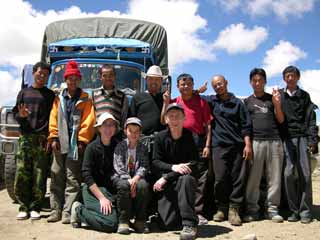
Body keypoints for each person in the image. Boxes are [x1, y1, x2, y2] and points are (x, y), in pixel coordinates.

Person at [47, 60, 95, 224]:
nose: (72, 81)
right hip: (59, 142)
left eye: (75, 78)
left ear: (79, 80)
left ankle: (67, 211)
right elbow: (53, 118)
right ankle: (55, 210)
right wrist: (53, 137)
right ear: (65, 80)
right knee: (56, 175)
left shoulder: (86, 99)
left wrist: (82, 140)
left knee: (72, 178)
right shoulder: (58, 98)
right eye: (70, 78)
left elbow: (89, 120)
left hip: (75, 144)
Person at [201, 75, 252, 226]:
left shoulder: (238, 103)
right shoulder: (212, 101)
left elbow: (246, 125)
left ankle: (234, 209)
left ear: (226, 83)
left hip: (237, 145)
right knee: (220, 179)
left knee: (238, 178)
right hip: (219, 145)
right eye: (215, 85)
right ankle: (221, 208)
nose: (218, 87)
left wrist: (247, 144)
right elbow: (192, 95)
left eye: (220, 84)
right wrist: (199, 90)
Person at [162, 73, 213, 225]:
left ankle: (197, 212)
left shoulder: (202, 102)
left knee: (199, 177)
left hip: (197, 141)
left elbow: (208, 125)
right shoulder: (174, 102)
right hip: (179, 141)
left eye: (189, 84)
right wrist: (165, 103)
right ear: (177, 87)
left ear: (193, 85)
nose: (186, 87)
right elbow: (163, 119)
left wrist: (207, 145)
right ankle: (180, 211)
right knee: (182, 176)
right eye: (182, 84)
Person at [13, 61, 55, 220]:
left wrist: (50, 138)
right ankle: (23, 206)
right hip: (25, 137)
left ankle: (36, 207)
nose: (42, 76)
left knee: (40, 174)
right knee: (22, 173)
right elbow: (16, 114)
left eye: (45, 74)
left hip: (42, 139)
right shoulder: (23, 93)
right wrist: (21, 116)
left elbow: (53, 118)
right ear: (34, 73)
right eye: (40, 73)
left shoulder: (50, 95)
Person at [243, 68, 285, 223]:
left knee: (274, 177)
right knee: (253, 178)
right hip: (256, 142)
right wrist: (247, 144)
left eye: (260, 80)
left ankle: (272, 209)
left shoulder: (272, 98)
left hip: (275, 140)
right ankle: (252, 210)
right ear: (250, 82)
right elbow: (245, 125)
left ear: (265, 82)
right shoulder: (247, 102)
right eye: (254, 80)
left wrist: (277, 105)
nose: (257, 83)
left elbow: (281, 120)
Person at [153, 103, 199, 240]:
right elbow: (155, 161)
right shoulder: (160, 137)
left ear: (184, 118)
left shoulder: (191, 136)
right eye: (171, 116)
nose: (174, 119)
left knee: (186, 179)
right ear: (166, 119)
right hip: (167, 179)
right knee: (167, 223)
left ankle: (190, 224)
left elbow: (194, 163)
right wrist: (172, 168)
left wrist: (167, 176)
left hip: (183, 179)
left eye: (178, 116)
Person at [280, 66, 318, 224]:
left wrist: (312, 139)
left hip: (302, 137)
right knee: (288, 174)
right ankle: (293, 210)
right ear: (284, 78)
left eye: (293, 75)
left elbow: (311, 118)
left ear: (298, 77)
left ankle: (306, 211)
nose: (290, 78)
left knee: (306, 175)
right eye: (287, 76)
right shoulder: (280, 96)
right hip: (287, 139)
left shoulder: (304, 96)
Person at [70, 112, 119, 232]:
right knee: (111, 223)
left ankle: (94, 211)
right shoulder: (91, 148)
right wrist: (102, 198)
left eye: (112, 125)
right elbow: (86, 175)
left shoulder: (118, 146)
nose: (109, 128)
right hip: (93, 189)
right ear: (99, 128)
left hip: (110, 190)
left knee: (119, 218)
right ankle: (79, 210)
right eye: (105, 125)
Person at [113, 117, 150, 234]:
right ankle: (123, 220)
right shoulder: (120, 146)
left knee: (143, 186)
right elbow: (118, 166)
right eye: (130, 131)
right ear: (125, 131)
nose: (133, 134)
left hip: (137, 177)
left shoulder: (143, 147)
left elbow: (144, 165)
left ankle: (140, 220)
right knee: (123, 186)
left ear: (140, 132)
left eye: (136, 131)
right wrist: (129, 181)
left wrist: (135, 179)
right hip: (122, 176)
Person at [129, 65, 166, 136]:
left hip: (160, 141)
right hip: (141, 140)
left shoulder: (165, 98)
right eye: (151, 79)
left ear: (161, 81)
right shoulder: (137, 97)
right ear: (146, 80)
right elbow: (131, 120)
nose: (154, 82)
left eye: (157, 79)